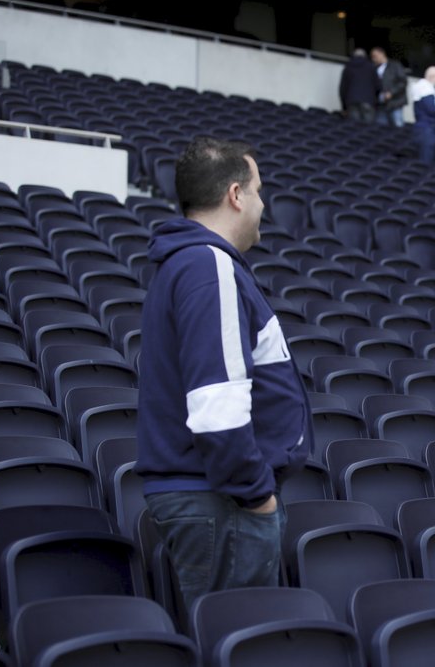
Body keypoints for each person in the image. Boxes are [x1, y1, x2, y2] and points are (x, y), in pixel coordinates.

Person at [136, 137, 313, 610]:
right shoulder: (207, 264)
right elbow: (217, 404)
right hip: (221, 499)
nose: (262, 203)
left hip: (216, 498)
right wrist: (257, 498)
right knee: (242, 641)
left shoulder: (190, 262)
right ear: (236, 195)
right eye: (257, 190)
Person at [339, 48, 380, 123]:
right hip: (369, 101)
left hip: (352, 102)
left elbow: (343, 89)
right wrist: (376, 102)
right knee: (368, 130)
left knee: (354, 129)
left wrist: (344, 107)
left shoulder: (348, 67)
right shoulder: (371, 67)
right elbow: (378, 86)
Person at [371, 47, 407, 127]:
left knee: (398, 127)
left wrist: (391, 93)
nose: (373, 59)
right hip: (380, 104)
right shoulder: (374, 68)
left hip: (395, 102)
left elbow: (403, 82)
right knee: (380, 129)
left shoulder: (395, 66)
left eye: (375, 56)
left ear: (382, 54)